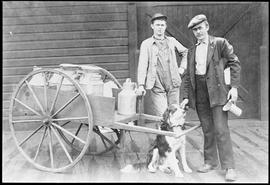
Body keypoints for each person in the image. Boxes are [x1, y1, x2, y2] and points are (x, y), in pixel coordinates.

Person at [180, 14, 241, 181]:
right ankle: (210, 162)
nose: (198, 32)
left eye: (200, 28)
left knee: (221, 129)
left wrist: (234, 88)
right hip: (200, 93)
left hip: (218, 92)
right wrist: (185, 97)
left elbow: (235, 63)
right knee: (207, 130)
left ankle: (229, 167)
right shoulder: (192, 51)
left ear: (206, 26)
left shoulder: (219, 43)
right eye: (195, 30)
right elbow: (187, 77)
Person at [136, 13, 188, 117]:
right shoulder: (146, 44)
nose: (160, 28)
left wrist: (182, 68)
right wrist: (141, 85)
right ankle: (163, 133)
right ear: (152, 26)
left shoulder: (172, 41)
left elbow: (186, 52)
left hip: (173, 83)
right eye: (157, 25)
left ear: (165, 27)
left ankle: (174, 133)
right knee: (162, 115)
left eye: (162, 25)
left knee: (175, 114)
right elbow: (142, 65)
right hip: (157, 85)